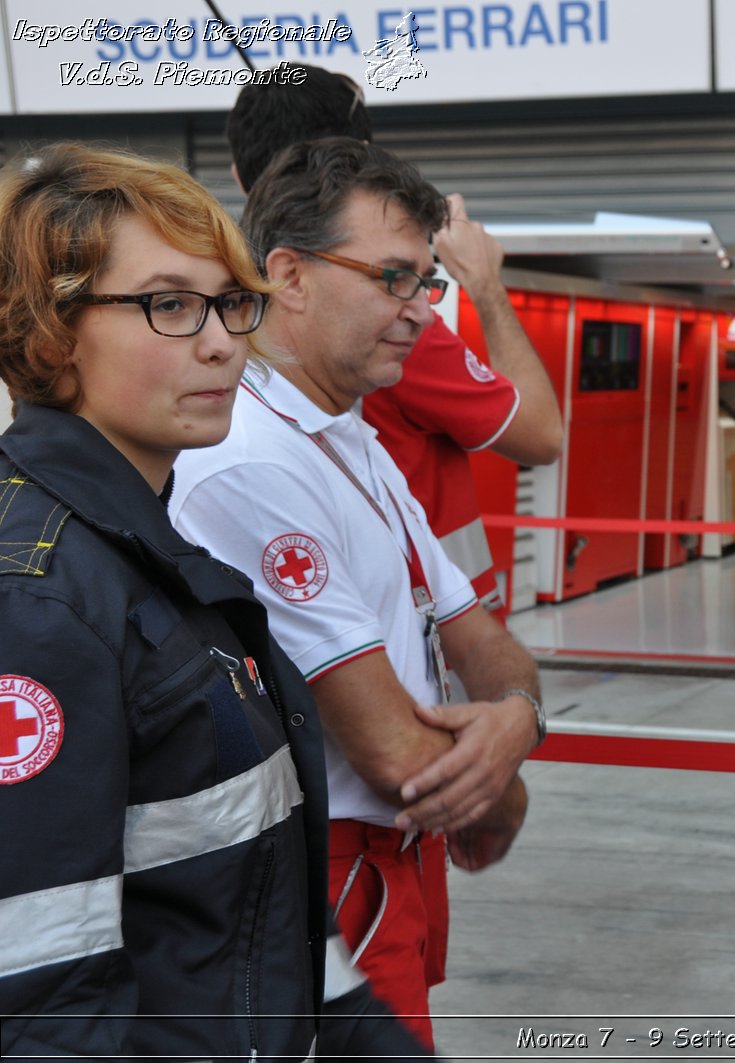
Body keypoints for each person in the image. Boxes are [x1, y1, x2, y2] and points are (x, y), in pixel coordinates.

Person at [0, 142, 428, 1059]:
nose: (221, 339)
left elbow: (259, 910)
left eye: (231, 302)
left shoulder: (156, 554)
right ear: (49, 330)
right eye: (169, 304)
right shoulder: (39, 606)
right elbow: (42, 1006)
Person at [170, 137, 546, 1051]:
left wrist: (518, 719)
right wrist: (504, 788)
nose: (420, 311)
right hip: (328, 877)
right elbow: (390, 752)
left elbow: (476, 632)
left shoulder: (350, 435)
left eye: (427, 281)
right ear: (289, 275)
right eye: (392, 278)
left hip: (391, 866)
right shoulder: (248, 461)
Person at [227, 63, 563, 610]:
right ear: (360, 161)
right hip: (425, 630)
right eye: (394, 277)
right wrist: (483, 282)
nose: (416, 311)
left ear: (240, 178)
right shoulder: (394, 324)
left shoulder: (218, 310)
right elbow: (542, 435)